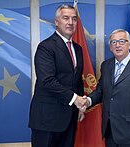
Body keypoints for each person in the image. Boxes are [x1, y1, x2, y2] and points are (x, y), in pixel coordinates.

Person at [84, 29, 130, 147]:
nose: (117, 45)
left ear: (129, 44)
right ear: (110, 47)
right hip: (110, 130)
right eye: (113, 42)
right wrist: (87, 101)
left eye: (122, 41)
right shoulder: (106, 66)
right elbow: (101, 91)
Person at [29, 4, 87, 147]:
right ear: (56, 21)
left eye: (74, 19)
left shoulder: (78, 49)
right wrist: (76, 99)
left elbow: (77, 80)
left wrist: (79, 107)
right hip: (47, 120)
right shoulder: (46, 47)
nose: (70, 22)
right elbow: (47, 81)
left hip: (69, 118)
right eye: (65, 18)